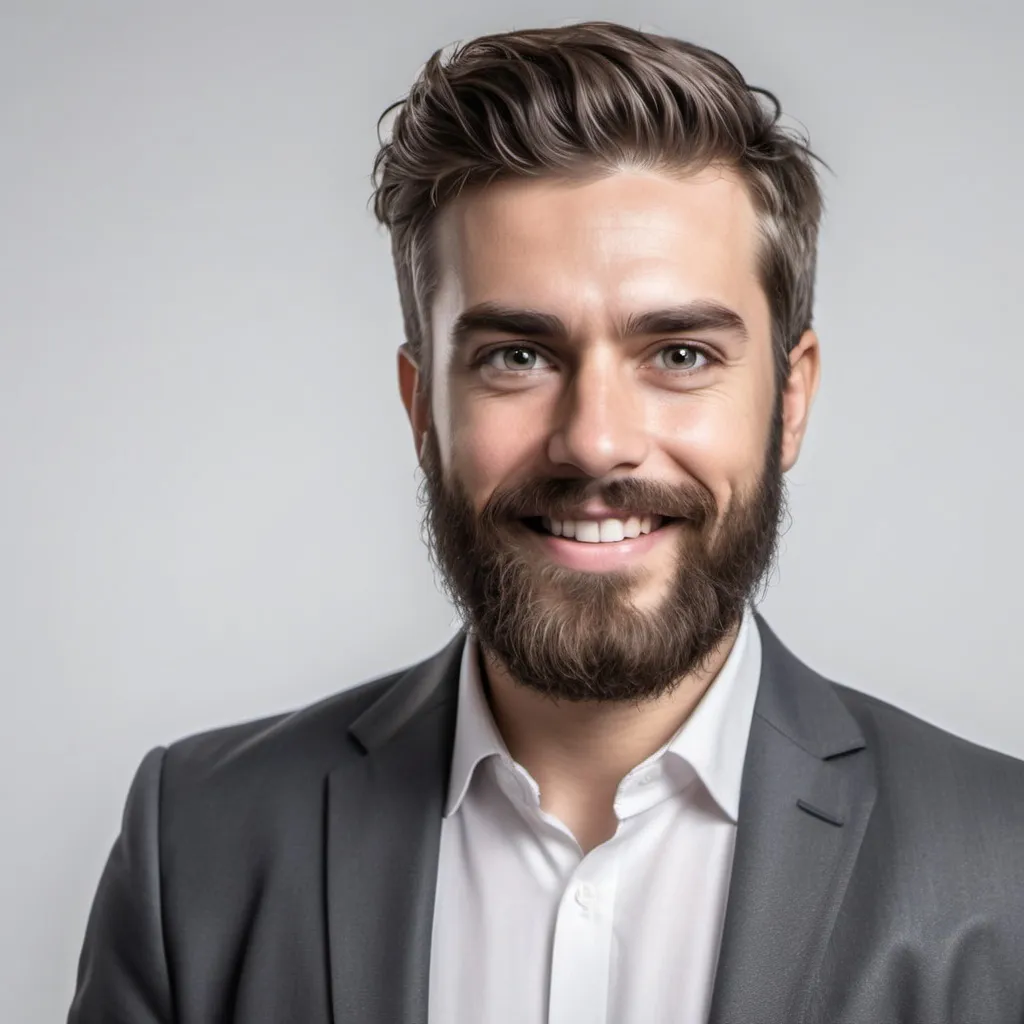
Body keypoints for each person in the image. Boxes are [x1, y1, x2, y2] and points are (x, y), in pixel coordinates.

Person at [68, 21, 1024, 1024]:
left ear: (788, 400)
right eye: (517, 355)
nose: (595, 443)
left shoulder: (1002, 863)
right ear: (421, 406)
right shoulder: (198, 844)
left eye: (681, 353)